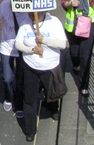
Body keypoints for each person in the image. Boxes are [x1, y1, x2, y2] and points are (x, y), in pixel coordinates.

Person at [15, 11, 67, 142]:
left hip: (50, 66)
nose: (31, 17)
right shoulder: (25, 23)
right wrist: (32, 50)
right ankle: (30, 129)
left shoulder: (54, 22)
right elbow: (18, 44)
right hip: (30, 67)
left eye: (34, 15)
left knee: (51, 92)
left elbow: (62, 44)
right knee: (29, 99)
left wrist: (44, 40)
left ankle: (53, 109)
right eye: (30, 15)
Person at [61, 0, 94, 97]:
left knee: (85, 56)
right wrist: (70, 4)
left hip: (89, 25)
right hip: (72, 27)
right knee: (74, 53)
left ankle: (84, 86)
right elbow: (63, 3)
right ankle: (75, 66)